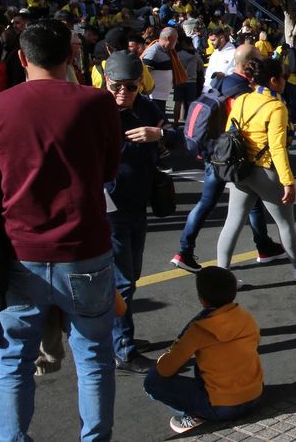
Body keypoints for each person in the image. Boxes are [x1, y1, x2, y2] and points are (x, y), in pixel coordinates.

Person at [0, 19, 122, 441]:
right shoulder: (97, 103)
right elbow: (108, 170)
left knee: (13, 361)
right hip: (85, 250)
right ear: (71, 56)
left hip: (20, 254)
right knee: (94, 358)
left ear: (21, 57)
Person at [170, 44, 286, 272]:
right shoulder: (244, 90)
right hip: (230, 154)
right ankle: (259, 248)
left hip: (213, 150)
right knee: (245, 200)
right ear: (251, 63)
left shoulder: (221, 80)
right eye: (259, 58)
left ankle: (186, 249)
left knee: (217, 202)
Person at [100, 51, 179, 373]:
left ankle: (119, 334)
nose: (123, 93)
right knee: (123, 281)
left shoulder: (146, 107)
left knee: (131, 276)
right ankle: (123, 348)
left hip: (138, 201)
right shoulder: (95, 111)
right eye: (116, 86)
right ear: (106, 81)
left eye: (130, 87)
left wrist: (158, 135)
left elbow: (178, 137)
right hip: (110, 207)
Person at [216, 57, 296, 286]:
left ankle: (221, 277)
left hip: (240, 169)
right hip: (265, 170)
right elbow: (277, 147)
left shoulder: (242, 99)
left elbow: (230, 132)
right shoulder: (276, 106)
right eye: (283, 77)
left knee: (232, 222)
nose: (286, 81)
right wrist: (288, 181)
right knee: (285, 223)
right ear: (274, 81)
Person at [143, 267, 263, 434]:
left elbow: (165, 369)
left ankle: (197, 414)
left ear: (202, 300)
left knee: (152, 382)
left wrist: (163, 357)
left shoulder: (199, 328)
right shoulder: (246, 317)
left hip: (223, 408)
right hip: (256, 395)